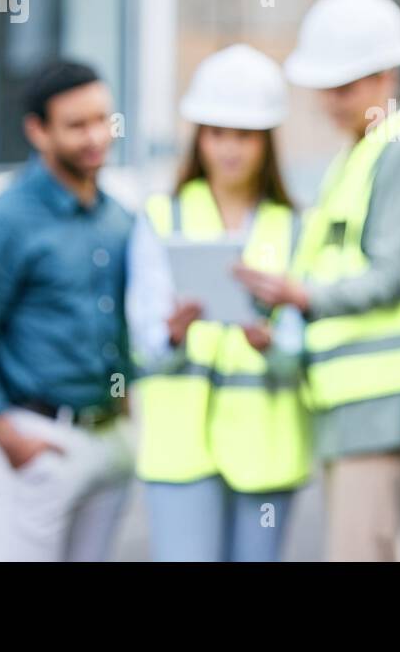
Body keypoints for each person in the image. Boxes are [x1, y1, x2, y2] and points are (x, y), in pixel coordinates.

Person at [234, 0, 400, 562]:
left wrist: (301, 294)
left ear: (385, 77)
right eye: (324, 89)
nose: (330, 102)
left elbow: (390, 275)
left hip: (382, 397)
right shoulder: (355, 157)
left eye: (344, 87)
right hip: (349, 399)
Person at [0, 60, 135, 562]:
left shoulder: (120, 218)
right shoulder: (1, 221)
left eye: (103, 120)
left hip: (110, 441)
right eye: (76, 125)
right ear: (37, 131)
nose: (96, 137)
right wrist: (11, 440)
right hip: (38, 442)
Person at [127, 44, 310, 562]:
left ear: (266, 142)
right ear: (199, 137)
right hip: (180, 449)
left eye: (245, 135)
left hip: (265, 447)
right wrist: (173, 333)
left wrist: (270, 344)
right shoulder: (160, 217)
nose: (230, 148)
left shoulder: (295, 225)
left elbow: (304, 347)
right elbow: (142, 341)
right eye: (217, 132)